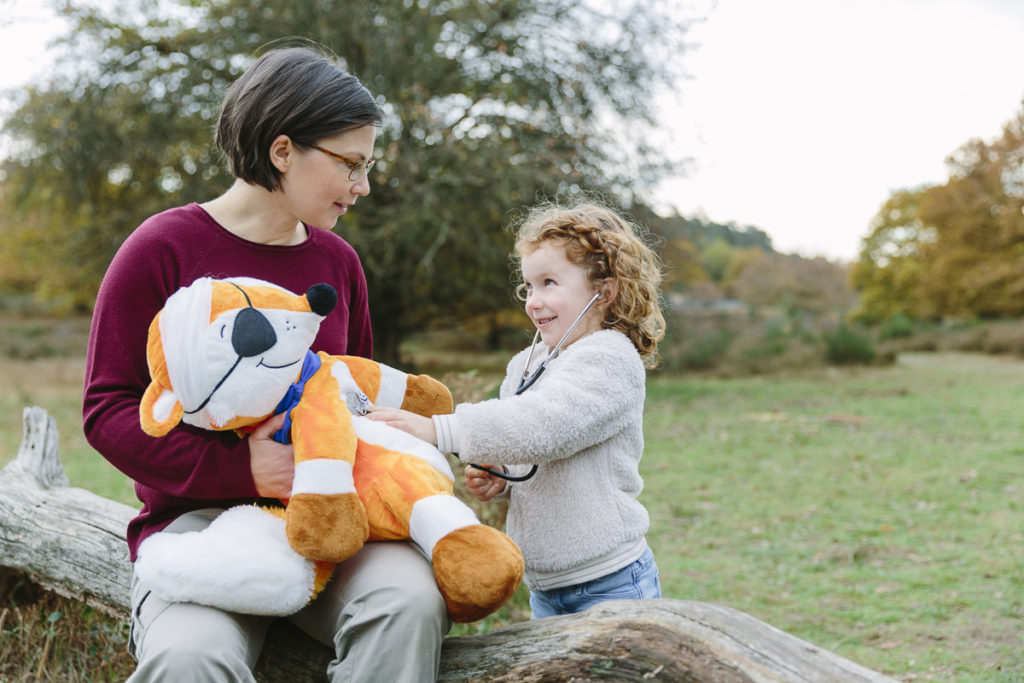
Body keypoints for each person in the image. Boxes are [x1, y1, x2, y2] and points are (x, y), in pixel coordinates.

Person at [82, 46, 449, 682]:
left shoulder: (338, 263)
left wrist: (441, 440)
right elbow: (107, 409)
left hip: (335, 513)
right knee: (189, 658)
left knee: (409, 602)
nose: (363, 187)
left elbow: (351, 396)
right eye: (351, 165)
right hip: (196, 521)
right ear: (283, 151)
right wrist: (242, 469)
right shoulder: (161, 249)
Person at [368, 200, 665, 618]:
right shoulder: (529, 362)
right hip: (547, 585)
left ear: (604, 293)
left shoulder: (611, 359)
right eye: (529, 286)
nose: (533, 300)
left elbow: (546, 426)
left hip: (609, 580)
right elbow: (523, 447)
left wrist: (442, 429)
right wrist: (502, 475)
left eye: (549, 283)